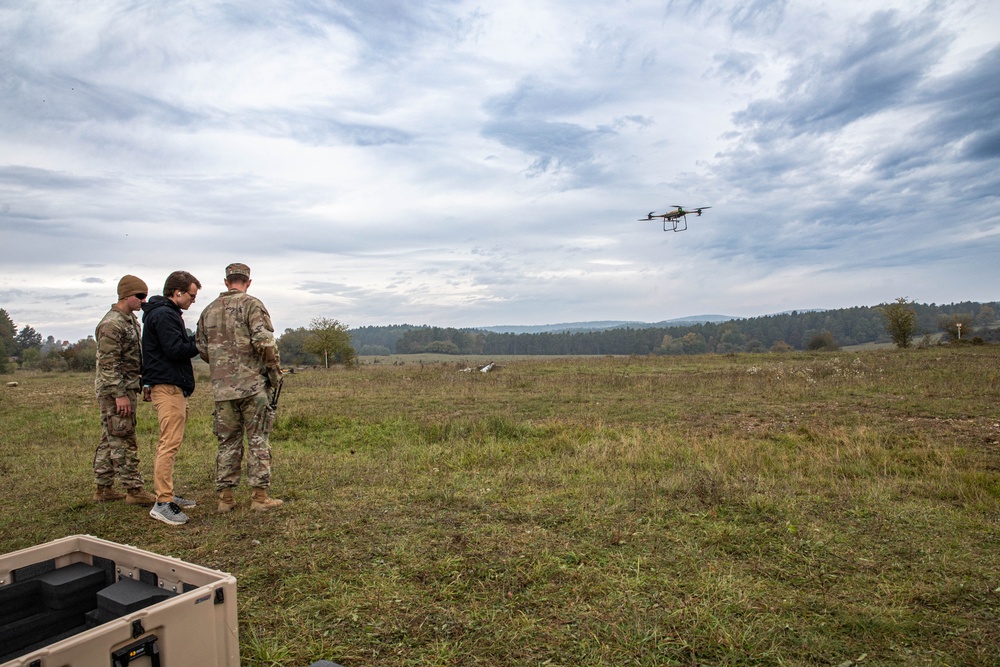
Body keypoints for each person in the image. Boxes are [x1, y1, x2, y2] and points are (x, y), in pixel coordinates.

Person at [196, 263, 284, 512]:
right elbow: (265, 343)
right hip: (252, 386)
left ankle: (225, 498)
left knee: (227, 442)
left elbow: (202, 349)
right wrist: (273, 374)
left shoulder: (208, 310)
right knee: (258, 439)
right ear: (248, 281)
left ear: (226, 281)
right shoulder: (252, 305)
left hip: (222, 390)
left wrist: (223, 367)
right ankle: (259, 497)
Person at [141, 271, 202, 526]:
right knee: (169, 443)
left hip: (171, 385)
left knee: (171, 442)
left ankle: (166, 493)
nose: (193, 300)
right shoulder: (165, 314)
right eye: (191, 295)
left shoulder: (165, 313)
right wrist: (200, 341)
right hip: (167, 387)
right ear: (177, 292)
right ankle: (163, 502)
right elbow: (175, 349)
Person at [93, 275, 156, 506]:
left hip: (128, 386)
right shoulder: (112, 324)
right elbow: (109, 364)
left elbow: (133, 359)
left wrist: (142, 383)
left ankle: (103, 488)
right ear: (125, 295)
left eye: (145, 296)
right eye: (139, 296)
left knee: (110, 437)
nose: (143, 301)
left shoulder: (130, 320)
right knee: (124, 438)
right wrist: (119, 394)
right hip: (115, 391)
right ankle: (134, 489)